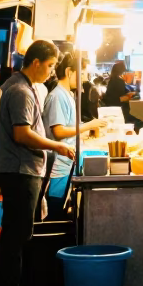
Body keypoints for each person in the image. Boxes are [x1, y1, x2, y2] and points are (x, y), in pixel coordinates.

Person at [0, 39, 75, 286]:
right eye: (49, 66)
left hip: (22, 170)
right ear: (36, 63)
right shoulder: (21, 91)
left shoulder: (22, 86)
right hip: (20, 170)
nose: (50, 72)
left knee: (18, 232)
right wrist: (56, 146)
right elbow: (22, 134)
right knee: (16, 234)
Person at [43, 53, 97, 217]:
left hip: (67, 163)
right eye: (82, 74)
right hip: (58, 168)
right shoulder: (57, 96)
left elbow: (69, 126)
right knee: (55, 214)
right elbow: (58, 131)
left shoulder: (68, 95)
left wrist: (85, 131)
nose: (84, 80)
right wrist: (88, 125)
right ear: (69, 72)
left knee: (62, 210)